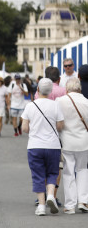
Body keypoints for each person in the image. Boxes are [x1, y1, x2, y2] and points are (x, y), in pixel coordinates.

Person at [22, 78, 65, 216]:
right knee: (53, 172)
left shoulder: (30, 106)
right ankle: (51, 195)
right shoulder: (56, 105)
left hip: (35, 145)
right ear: (51, 91)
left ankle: (41, 205)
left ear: (38, 90)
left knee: (38, 174)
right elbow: (60, 126)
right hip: (53, 145)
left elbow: (24, 128)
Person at [55, 78, 88, 214]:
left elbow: (57, 121)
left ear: (67, 88)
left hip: (67, 141)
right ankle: (83, 201)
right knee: (82, 170)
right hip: (84, 141)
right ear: (79, 88)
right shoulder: (86, 102)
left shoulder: (60, 101)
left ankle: (70, 205)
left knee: (69, 172)